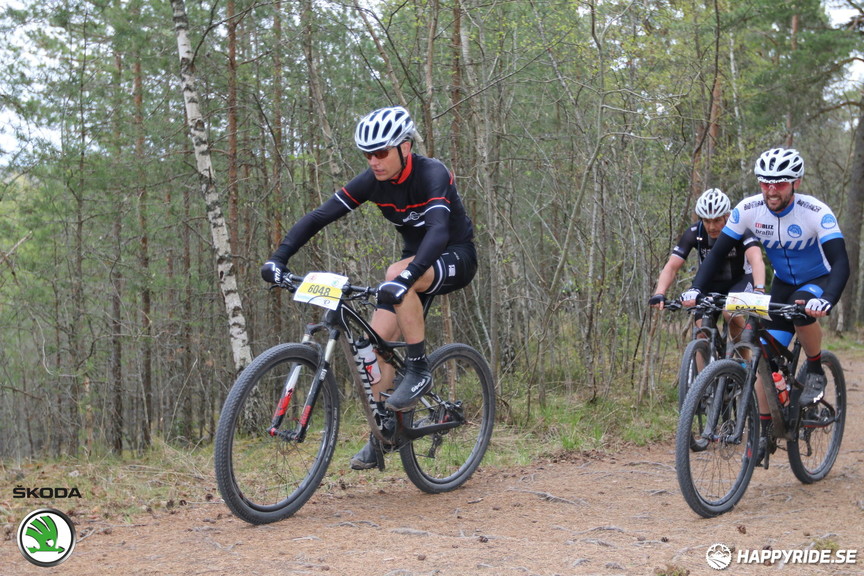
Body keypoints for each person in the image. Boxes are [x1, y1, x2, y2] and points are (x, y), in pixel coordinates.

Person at [260, 106, 477, 470]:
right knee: (372, 350)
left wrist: (406, 277)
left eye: (381, 153)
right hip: (413, 263)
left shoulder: (432, 173)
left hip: (454, 255)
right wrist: (278, 258)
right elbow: (319, 217)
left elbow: (438, 231)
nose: (373, 162)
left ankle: (419, 369)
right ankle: (384, 435)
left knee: (396, 272)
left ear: (405, 147)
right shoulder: (372, 181)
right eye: (367, 155)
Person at [681, 147, 850, 462]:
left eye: (780, 183)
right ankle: (764, 428)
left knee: (802, 308)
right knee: (758, 352)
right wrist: (696, 289)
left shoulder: (816, 212)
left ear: (795, 183)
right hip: (783, 284)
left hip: (818, 280)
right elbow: (717, 253)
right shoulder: (749, 209)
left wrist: (827, 299)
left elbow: (841, 262)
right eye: (765, 183)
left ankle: (814, 366)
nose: (772, 190)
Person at [649, 188, 766, 342]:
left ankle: (744, 361)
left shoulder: (741, 229)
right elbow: (671, 266)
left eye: (717, 220)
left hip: (740, 281)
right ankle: (706, 364)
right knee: (701, 331)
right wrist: (660, 292)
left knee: (729, 313)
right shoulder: (694, 232)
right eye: (707, 221)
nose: (711, 227)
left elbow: (756, 259)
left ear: (727, 216)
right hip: (710, 285)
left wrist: (759, 289)